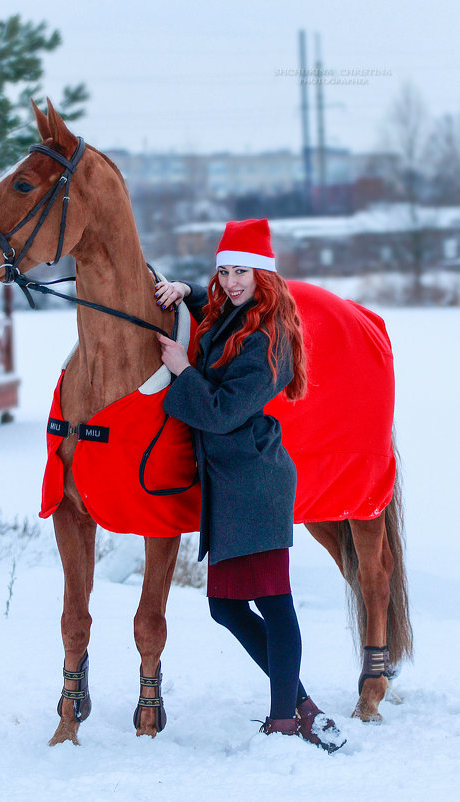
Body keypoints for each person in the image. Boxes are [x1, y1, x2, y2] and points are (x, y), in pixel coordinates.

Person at [154, 218, 345, 752]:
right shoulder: (236, 314)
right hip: (232, 483)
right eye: (226, 271)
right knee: (225, 606)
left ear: (265, 274)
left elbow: (221, 411)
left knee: (274, 602)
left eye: (244, 271)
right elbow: (212, 319)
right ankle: (298, 700)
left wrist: (179, 371)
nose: (234, 281)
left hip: (256, 483)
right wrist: (187, 290)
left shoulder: (270, 337)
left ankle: (284, 716)